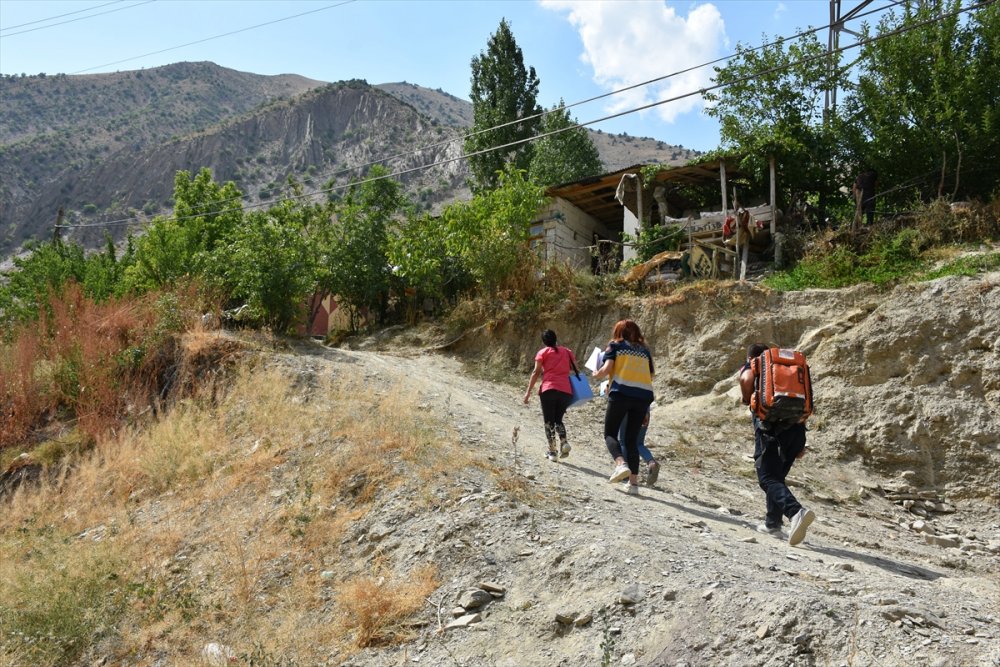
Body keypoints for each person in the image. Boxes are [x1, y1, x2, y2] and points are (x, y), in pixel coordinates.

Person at [739, 343, 815, 545]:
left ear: (751, 358)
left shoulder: (756, 364)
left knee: (767, 478)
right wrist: (799, 444)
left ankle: (795, 512)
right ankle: (773, 524)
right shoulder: (791, 371)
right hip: (797, 429)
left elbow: (745, 378)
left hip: (770, 429)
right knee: (777, 477)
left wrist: (747, 398)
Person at [592, 320, 655, 495]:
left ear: (618, 331)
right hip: (643, 398)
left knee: (610, 433)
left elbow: (606, 369)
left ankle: (620, 464)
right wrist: (646, 408)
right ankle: (633, 485)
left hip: (621, 393)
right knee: (631, 440)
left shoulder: (615, 346)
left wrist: (596, 374)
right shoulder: (645, 351)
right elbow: (649, 376)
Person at [523, 329, 578, 462]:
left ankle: (552, 452)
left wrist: (528, 392)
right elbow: (575, 368)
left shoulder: (542, 353)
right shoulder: (567, 352)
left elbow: (536, 372)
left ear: (543, 341)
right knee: (558, 419)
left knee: (549, 422)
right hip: (566, 390)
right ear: (556, 338)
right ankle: (564, 442)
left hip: (549, 389)